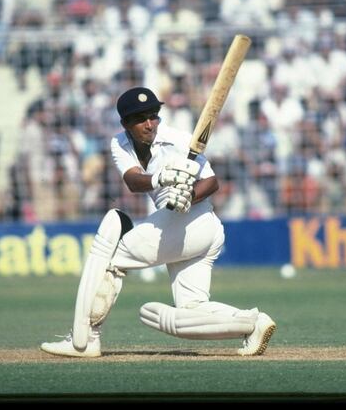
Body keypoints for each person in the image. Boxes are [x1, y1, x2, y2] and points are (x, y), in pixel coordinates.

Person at [41, 86, 276, 357]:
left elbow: (212, 182)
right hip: (181, 228)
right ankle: (253, 323)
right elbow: (132, 181)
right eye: (141, 119)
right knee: (192, 308)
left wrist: (190, 195)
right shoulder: (119, 143)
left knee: (111, 260)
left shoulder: (178, 140)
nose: (150, 124)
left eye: (153, 116)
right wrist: (159, 179)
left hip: (195, 221)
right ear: (125, 124)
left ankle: (86, 339)